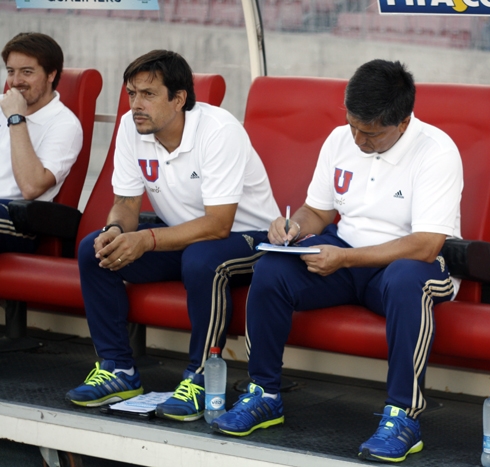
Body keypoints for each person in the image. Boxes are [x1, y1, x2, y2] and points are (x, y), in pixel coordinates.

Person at [212, 59, 463, 463]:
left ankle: (403, 417)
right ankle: (264, 394)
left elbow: (426, 245)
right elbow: (319, 213)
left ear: (402, 122)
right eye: (353, 127)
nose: (359, 140)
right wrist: (292, 227)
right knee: (273, 268)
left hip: (406, 267)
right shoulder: (339, 140)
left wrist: (345, 258)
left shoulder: (436, 151)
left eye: (371, 134)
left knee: (405, 281)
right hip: (344, 257)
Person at [65, 50, 280, 422]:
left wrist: (146, 241)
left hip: (253, 240)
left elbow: (218, 225)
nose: (136, 105)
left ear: (179, 98)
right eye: (132, 94)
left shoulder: (219, 131)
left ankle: (199, 380)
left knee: (203, 259)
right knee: (93, 250)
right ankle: (118, 369)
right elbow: (126, 202)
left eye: (148, 94)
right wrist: (116, 230)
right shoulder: (131, 128)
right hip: (185, 238)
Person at [0, 32, 82, 253]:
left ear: (50, 75)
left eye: (27, 72)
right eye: (10, 71)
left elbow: (31, 187)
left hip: (19, 216)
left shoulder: (65, 125)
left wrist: (16, 118)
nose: (15, 82)